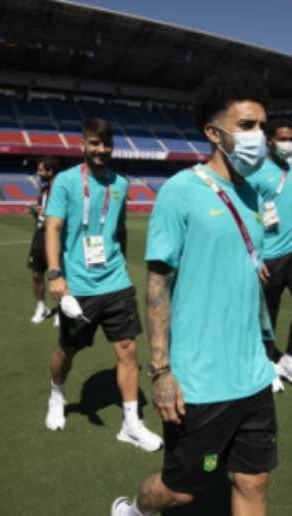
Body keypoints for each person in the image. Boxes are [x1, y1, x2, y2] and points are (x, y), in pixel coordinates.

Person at [112, 71, 278, 516]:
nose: (258, 136)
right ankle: (135, 510)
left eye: (262, 126)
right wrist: (161, 372)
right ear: (213, 132)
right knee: (180, 491)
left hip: (253, 375)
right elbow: (157, 284)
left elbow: (240, 256)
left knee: (253, 481)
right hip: (201, 380)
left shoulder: (254, 194)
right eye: (246, 126)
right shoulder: (180, 191)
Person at [43, 117, 162, 452]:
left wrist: (120, 262)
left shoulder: (120, 184)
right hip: (77, 286)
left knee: (128, 350)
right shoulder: (65, 182)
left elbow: (119, 229)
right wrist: (55, 275)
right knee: (67, 351)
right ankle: (56, 394)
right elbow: (52, 228)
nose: (101, 150)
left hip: (115, 282)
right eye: (95, 143)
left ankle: (131, 423)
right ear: (83, 143)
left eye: (106, 144)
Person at [250, 119, 292, 392]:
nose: (287, 143)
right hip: (269, 256)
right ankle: (267, 365)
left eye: (291, 138)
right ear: (269, 141)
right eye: (282, 138)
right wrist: (255, 257)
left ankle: (290, 359)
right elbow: (247, 217)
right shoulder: (255, 173)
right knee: (269, 317)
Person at [28, 156, 60, 325]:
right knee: (36, 274)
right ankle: (41, 307)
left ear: (50, 171)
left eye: (41, 170)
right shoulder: (44, 190)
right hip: (40, 234)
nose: (38, 173)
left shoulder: (62, 190)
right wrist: (36, 213)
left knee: (57, 275)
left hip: (55, 236)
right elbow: (43, 212)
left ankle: (61, 311)